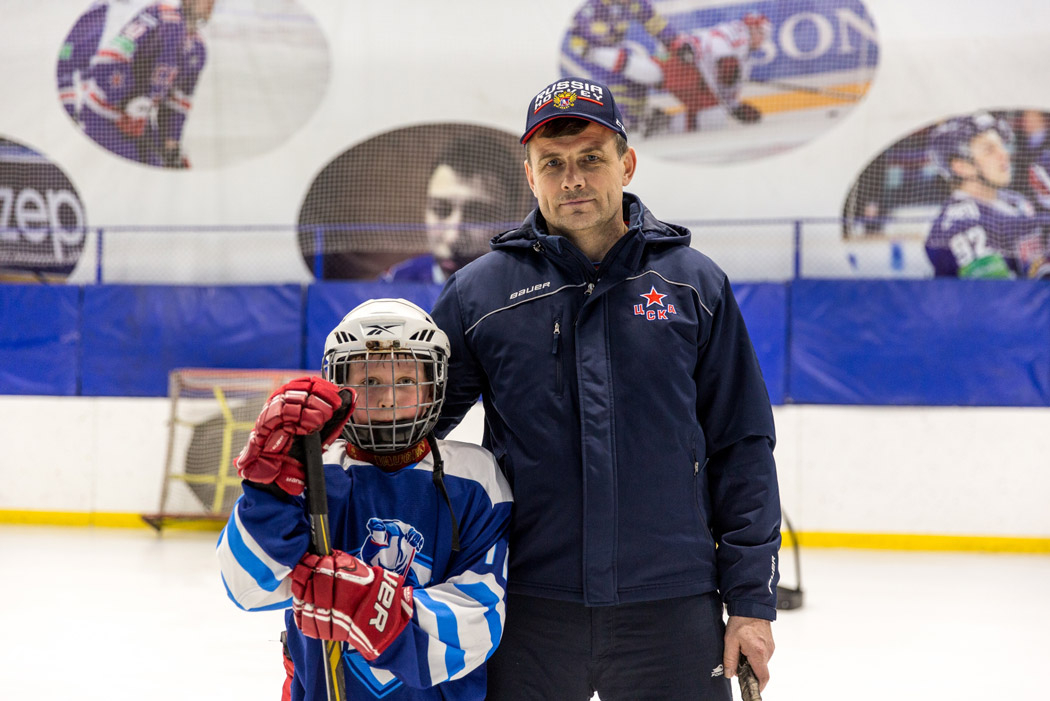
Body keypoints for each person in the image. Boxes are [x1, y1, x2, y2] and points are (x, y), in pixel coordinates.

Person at [430, 77, 780, 700]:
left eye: (591, 159)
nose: (574, 180)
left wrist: (751, 603)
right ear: (530, 177)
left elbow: (742, 446)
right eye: (553, 165)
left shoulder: (694, 286)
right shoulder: (479, 295)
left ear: (627, 163)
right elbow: (412, 431)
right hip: (527, 607)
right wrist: (327, 441)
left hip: (670, 604)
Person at [217, 298, 513, 700]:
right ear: (343, 386)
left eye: (406, 381)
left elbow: (478, 624)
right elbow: (248, 587)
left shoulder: (474, 478)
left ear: (435, 384)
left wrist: (368, 605)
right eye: (370, 382)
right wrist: (270, 490)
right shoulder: (311, 473)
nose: (388, 397)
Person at [78, 0, 214, 168]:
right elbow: (110, 58)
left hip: (140, 123)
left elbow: (177, 104)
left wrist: (171, 146)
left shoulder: (198, 50)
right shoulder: (159, 16)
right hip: (104, 117)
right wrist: (126, 101)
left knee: (165, 170)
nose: (211, 5)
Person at [383, 134, 530, 284]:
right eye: (440, 210)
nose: (453, 238)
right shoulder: (397, 283)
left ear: (512, 222)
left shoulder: (529, 287)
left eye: (478, 215)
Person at [925, 112, 1050, 279]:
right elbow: (997, 295)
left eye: (1001, 145)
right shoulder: (960, 224)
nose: (1004, 154)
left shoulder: (1016, 201)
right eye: (989, 150)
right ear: (962, 166)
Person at [561, 0, 680, 132]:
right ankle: (618, 119)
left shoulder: (634, 3)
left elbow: (654, 23)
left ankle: (635, 118)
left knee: (633, 66)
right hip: (587, 51)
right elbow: (587, 30)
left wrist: (675, 42)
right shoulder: (592, 5)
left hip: (614, 48)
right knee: (622, 64)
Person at [659, 12, 771, 133]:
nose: (763, 40)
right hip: (680, 63)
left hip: (694, 78)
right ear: (754, 30)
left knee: (715, 117)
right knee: (650, 72)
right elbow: (721, 51)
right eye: (763, 34)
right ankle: (654, 122)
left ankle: (661, 123)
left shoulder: (745, 60)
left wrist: (736, 108)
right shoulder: (739, 33)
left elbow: (725, 91)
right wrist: (728, 65)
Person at [56, 0, 151, 119]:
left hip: (130, 105)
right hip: (93, 108)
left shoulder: (151, 12)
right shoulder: (92, 12)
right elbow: (66, 66)